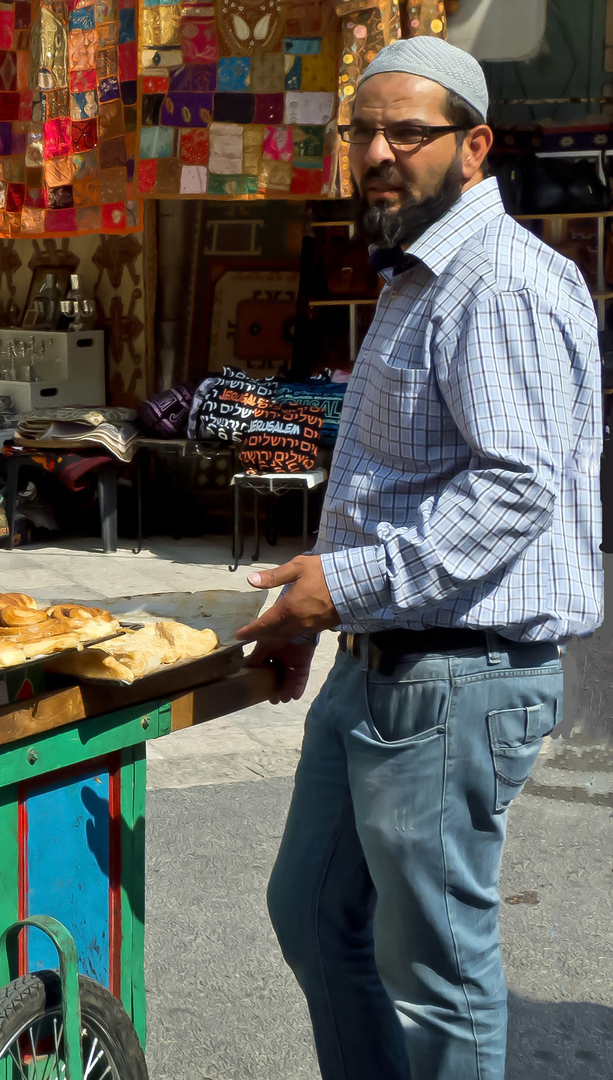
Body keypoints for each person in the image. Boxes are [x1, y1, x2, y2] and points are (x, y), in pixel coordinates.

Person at [236, 36, 602, 1080]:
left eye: (410, 132)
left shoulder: (496, 284)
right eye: (364, 132)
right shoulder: (418, 272)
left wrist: (342, 585)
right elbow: (396, 481)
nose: (380, 153)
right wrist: (321, 615)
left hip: (462, 676)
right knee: (310, 913)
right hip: (383, 658)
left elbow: (514, 487)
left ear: (474, 146)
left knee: (438, 977)